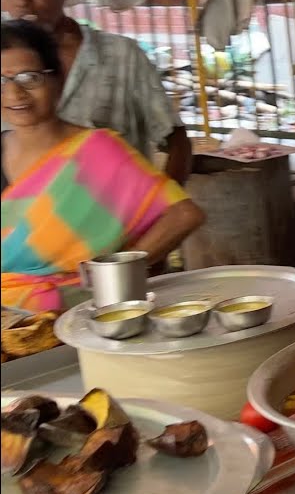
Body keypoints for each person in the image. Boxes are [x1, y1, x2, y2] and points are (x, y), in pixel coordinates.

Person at [1, 20, 205, 313]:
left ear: (58, 80)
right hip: (10, 329)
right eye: (2, 80)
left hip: (86, 315)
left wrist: (113, 273)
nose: (14, 94)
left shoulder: (96, 152)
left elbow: (184, 215)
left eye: (29, 78)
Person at [1, 0, 191, 183]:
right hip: (33, 221)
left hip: (119, 218)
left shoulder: (121, 57)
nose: (21, 1)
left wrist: (162, 208)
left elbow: (176, 141)